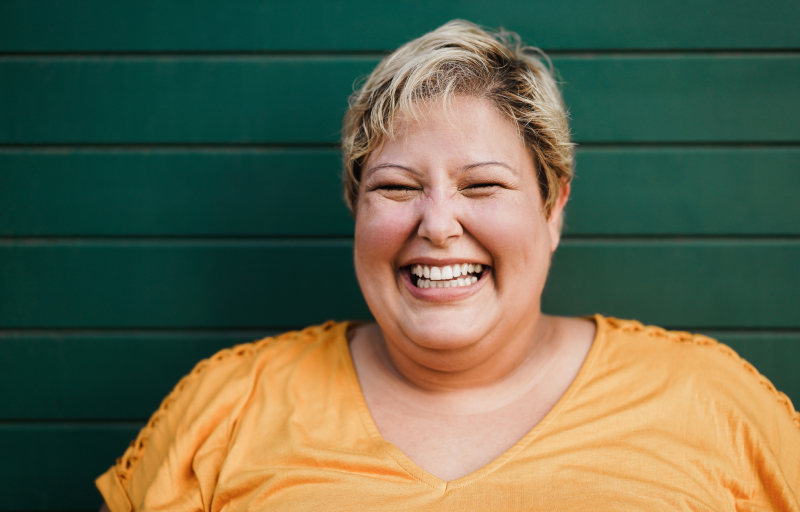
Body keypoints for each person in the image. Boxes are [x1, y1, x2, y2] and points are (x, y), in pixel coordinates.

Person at [96, 20, 800, 510]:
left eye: (483, 185)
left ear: (553, 207)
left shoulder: (715, 405)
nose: (436, 225)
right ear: (356, 207)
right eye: (397, 188)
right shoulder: (226, 410)